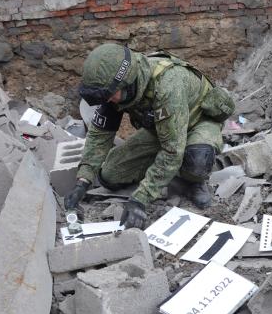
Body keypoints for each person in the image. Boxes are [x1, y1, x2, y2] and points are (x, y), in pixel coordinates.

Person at [64, 44, 235, 230]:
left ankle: (193, 180)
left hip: (197, 123)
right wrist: (83, 181)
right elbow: (99, 136)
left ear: (128, 83)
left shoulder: (168, 86)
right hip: (162, 129)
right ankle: (165, 170)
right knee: (109, 176)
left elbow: (171, 152)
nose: (108, 100)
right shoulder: (114, 91)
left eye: (111, 95)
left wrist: (140, 198)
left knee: (197, 160)